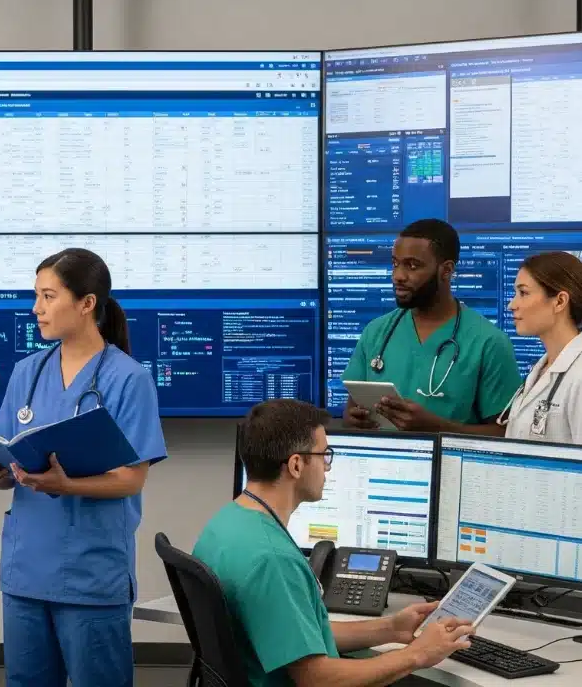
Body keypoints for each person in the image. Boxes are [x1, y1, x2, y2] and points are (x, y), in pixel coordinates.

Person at [0, 248, 166, 687]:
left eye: (48, 296)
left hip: (90, 575)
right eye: (36, 295)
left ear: (87, 303)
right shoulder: (27, 372)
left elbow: (132, 478)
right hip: (25, 573)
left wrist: (66, 484)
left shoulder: (128, 379)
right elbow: (10, 456)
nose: (36, 308)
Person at [194, 399, 475, 687]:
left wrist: (392, 628)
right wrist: (417, 654)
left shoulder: (226, 523)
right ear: (296, 465)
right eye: (324, 455)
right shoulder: (273, 560)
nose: (327, 467)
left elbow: (297, 636)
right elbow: (318, 679)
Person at [341, 218, 521, 434]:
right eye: (395, 264)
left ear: (446, 270)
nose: (398, 276)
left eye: (412, 266)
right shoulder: (376, 332)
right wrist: (353, 419)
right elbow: (351, 409)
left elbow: (506, 433)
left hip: (449, 457)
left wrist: (436, 428)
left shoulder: (489, 342)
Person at [500, 251, 582, 442]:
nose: (511, 305)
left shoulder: (579, 375)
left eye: (523, 293)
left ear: (559, 301)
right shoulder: (542, 369)